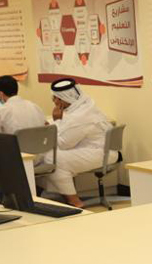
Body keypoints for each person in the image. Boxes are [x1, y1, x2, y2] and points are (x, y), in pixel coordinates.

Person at [38, 78, 115, 208]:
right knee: (51, 156)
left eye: (56, 99)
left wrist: (56, 121)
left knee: (51, 158)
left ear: (65, 98)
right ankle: (57, 194)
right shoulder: (85, 105)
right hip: (101, 149)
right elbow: (68, 127)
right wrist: (55, 123)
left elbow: (64, 143)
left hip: (99, 152)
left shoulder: (80, 116)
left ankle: (75, 201)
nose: (55, 102)